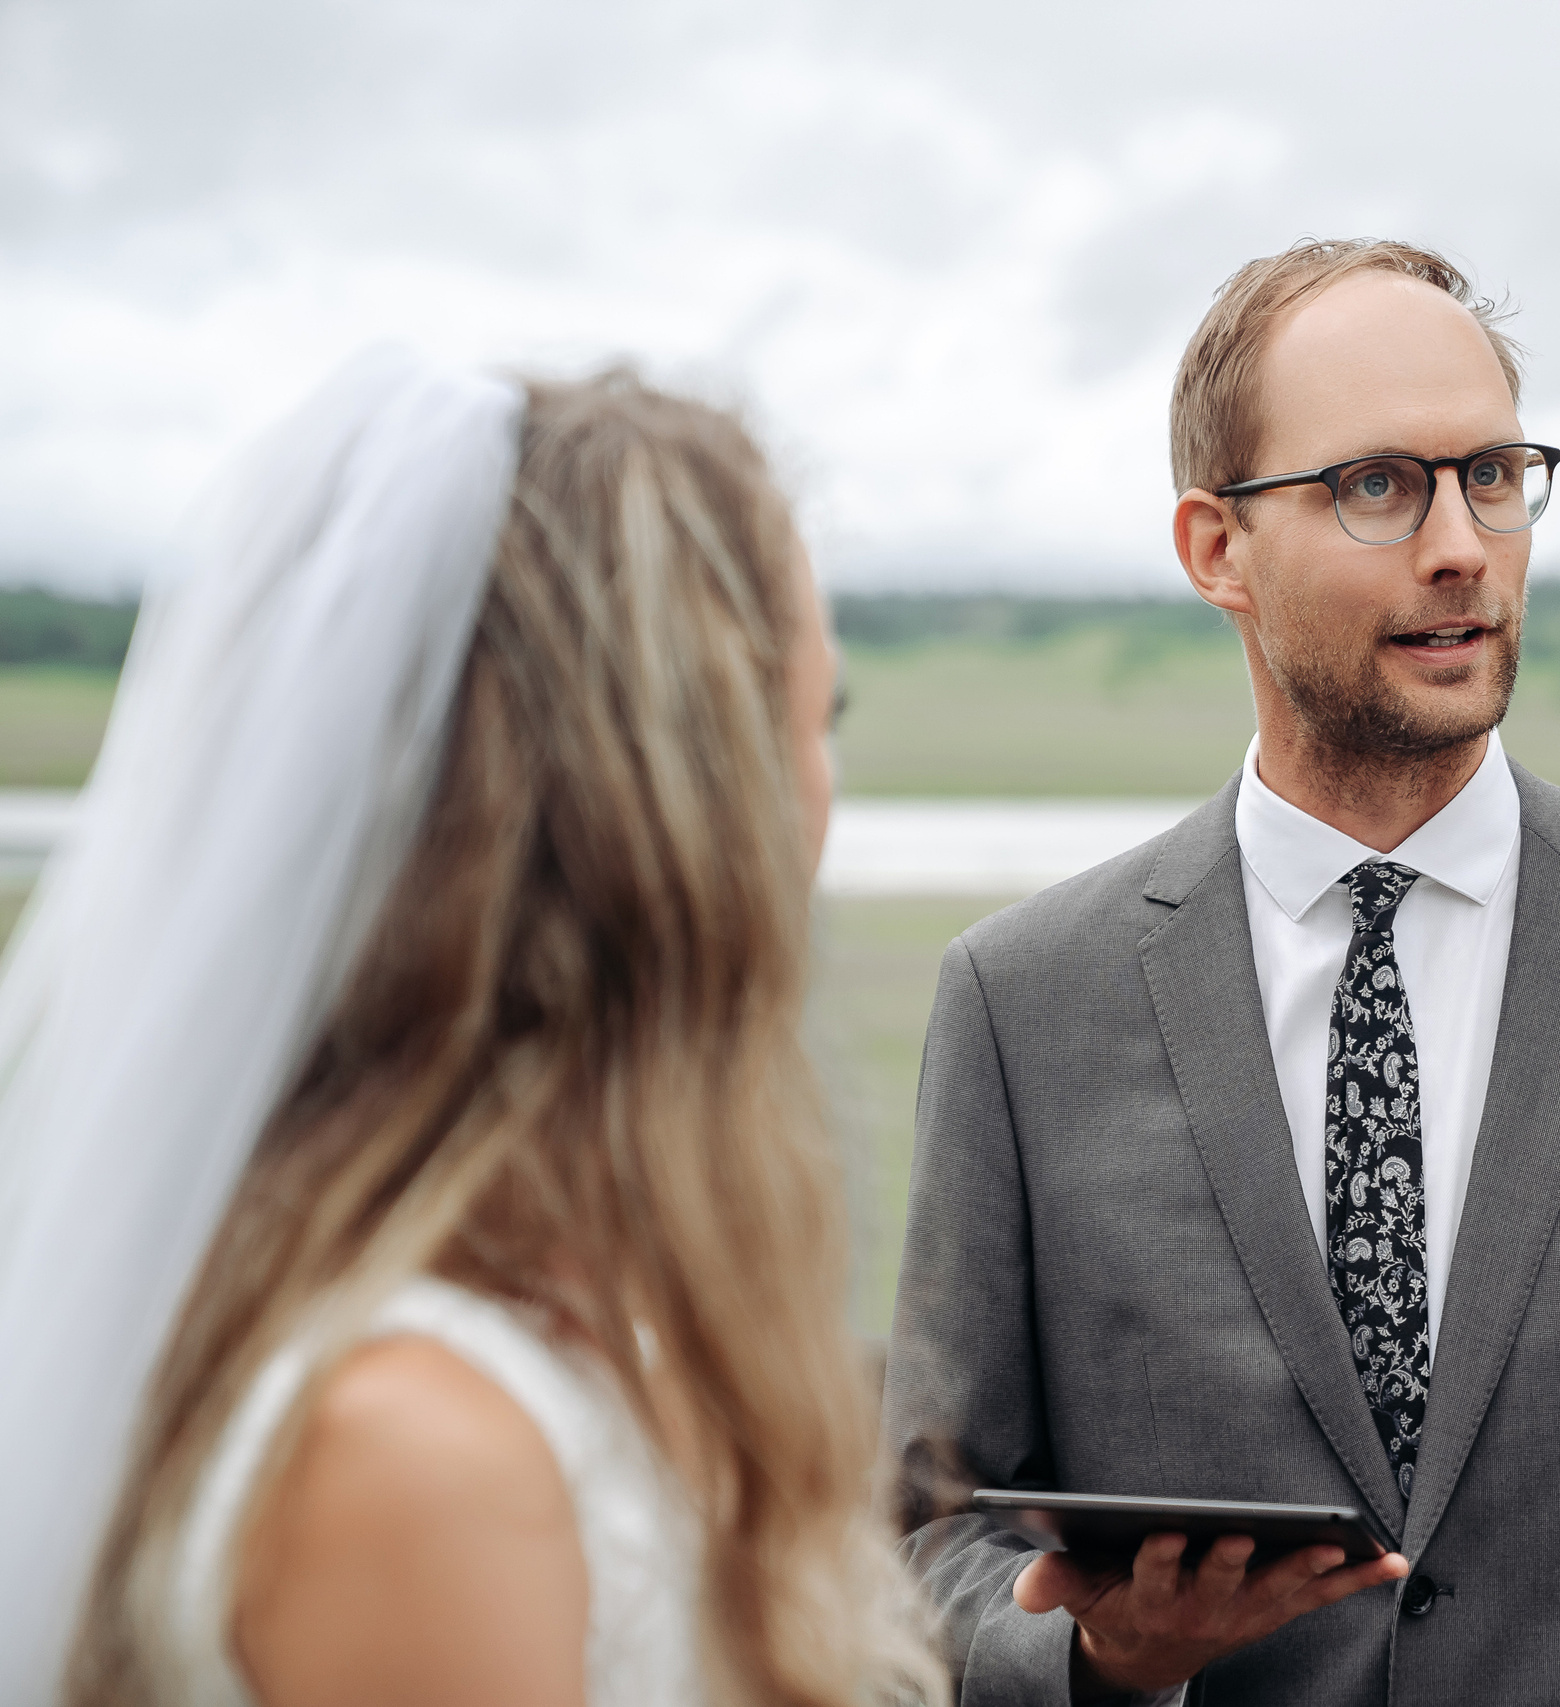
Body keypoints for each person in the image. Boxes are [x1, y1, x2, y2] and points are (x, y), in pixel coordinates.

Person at [881, 238, 1560, 1706]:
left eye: (1491, 476)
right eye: (1378, 486)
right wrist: (1096, 1658)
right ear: (1216, 549)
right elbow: (927, 1550)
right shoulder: (1024, 1004)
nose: (1461, 544)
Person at [0, 353, 945, 1706]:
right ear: (688, 808)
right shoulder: (418, 1455)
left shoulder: (578, 1330)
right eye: (817, 714)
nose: (821, 789)